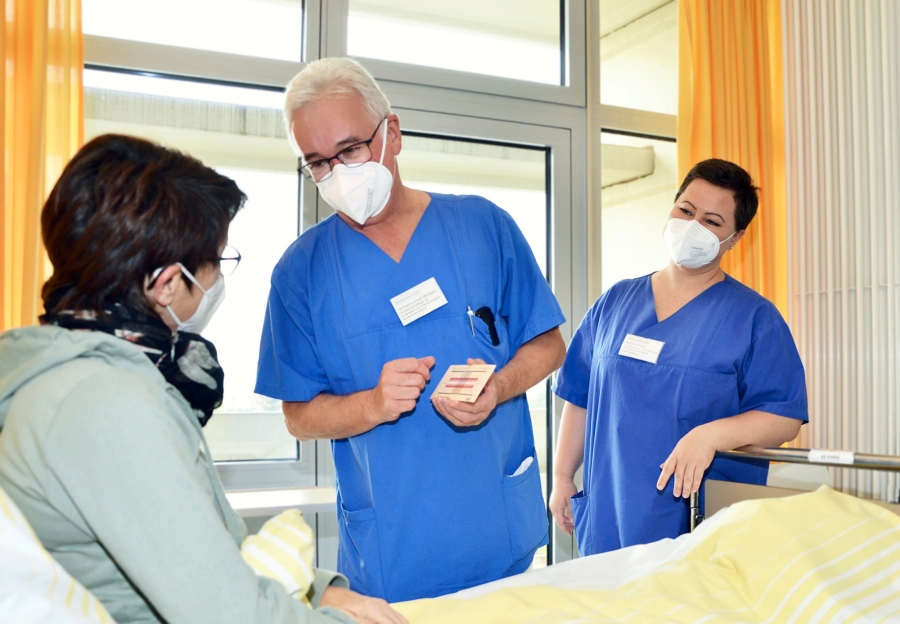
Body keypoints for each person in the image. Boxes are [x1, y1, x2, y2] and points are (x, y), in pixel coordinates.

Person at [0, 134, 406, 624]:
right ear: (168, 283)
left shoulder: (78, 375)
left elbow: (205, 553)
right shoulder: (104, 404)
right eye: (216, 259)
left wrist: (320, 592)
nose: (216, 279)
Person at [255, 58, 567, 602]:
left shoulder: (482, 226)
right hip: (390, 557)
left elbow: (548, 344)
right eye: (318, 164)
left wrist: (498, 387)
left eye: (350, 151)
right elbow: (298, 416)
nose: (338, 174)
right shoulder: (300, 273)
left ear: (392, 135)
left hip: (499, 536)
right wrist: (373, 403)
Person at [549, 159, 808, 556]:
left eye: (712, 221)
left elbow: (783, 416)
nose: (692, 227)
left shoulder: (754, 318)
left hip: (697, 516)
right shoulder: (616, 302)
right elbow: (580, 397)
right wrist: (563, 475)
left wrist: (711, 435)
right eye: (685, 211)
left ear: (735, 238)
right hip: (610, 511)